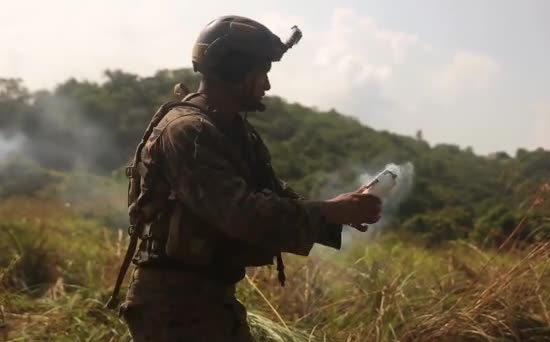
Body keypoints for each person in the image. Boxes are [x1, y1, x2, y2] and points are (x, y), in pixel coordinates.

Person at [112, 15, 382, 341]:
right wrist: (329, 211)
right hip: (174, 307)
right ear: (235, 70)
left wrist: (343, 211)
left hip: (207, 302)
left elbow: (273, 194)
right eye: (261, 72)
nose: (267, 85)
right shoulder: (189, 132)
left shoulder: (233, 133)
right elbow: (240, 213)